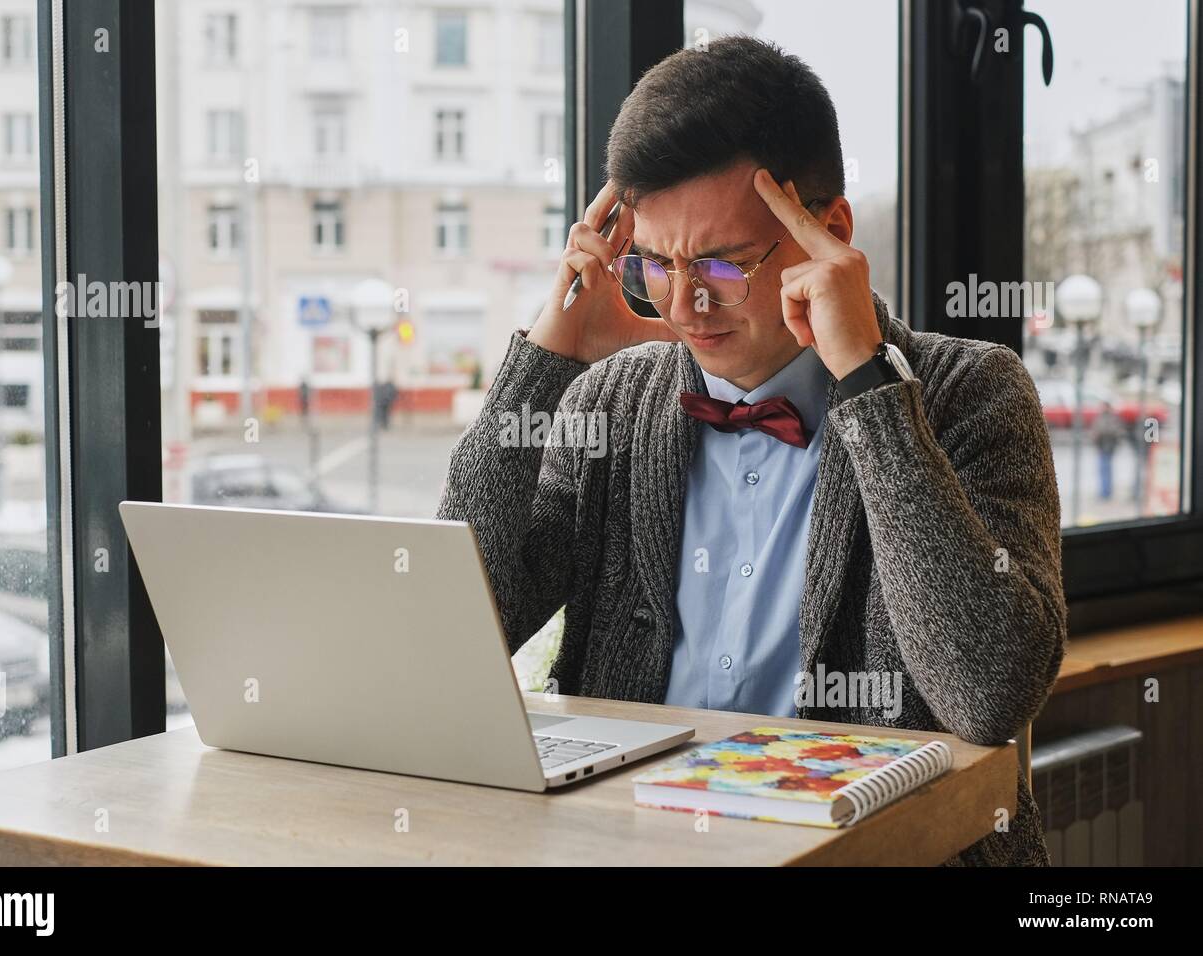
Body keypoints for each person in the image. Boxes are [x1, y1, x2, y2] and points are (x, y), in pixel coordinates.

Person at [438, 36, 1065, 866]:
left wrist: (869, 390)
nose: (686, 304)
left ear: (827, 232)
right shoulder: (610, 406)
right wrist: (542, 365)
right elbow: (461, 634)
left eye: (722, 265)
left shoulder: (973, 392)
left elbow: (988, 691)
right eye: (654, 265)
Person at [1092, 402, 1122, 501]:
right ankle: (1104, 492)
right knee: (1103, 470)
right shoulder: (1100, 418)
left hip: (1108, 447)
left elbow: (1114, 432)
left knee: (1106, 469)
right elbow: (1095, 432)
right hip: (1102, 447)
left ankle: (1106, 492)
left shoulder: (1112, 419)